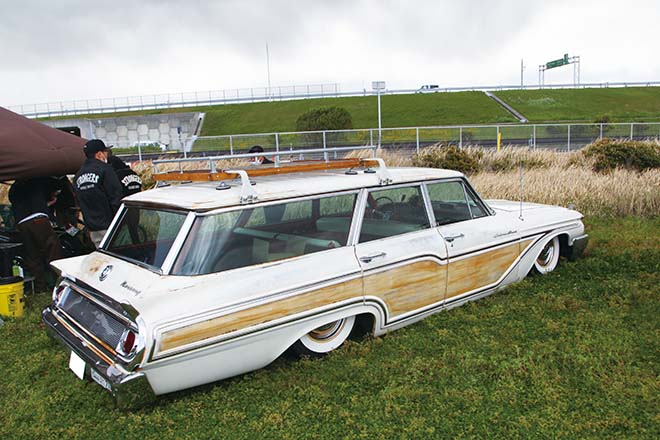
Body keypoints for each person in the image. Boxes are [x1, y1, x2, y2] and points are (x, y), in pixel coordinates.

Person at [8, 177, 63, 290]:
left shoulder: (14, 188)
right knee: (52, 249)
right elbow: (54, 191)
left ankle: (40, 286)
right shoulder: (37, 180)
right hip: (38, 219)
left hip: (22, 222)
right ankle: (58, 282)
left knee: (32, 255)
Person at [74, 139, 123, 247]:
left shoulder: (78, 175)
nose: (107, 155)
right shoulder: (105, 169)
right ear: (99, 154)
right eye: (106, 152)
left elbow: (79, 201)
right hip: (111, 226)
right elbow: (116, 196)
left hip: (93, 228)